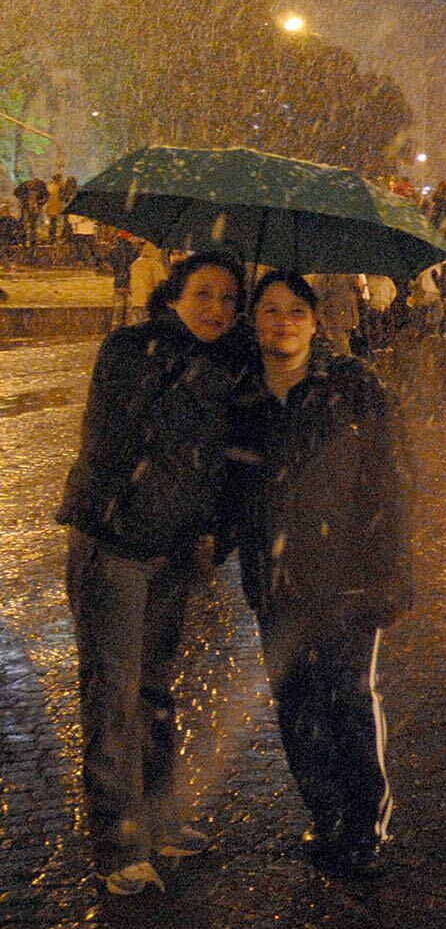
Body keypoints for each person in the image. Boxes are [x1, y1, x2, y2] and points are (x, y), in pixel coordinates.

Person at [55, 251, 249, 896]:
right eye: (202, 293)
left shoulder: (229, 368)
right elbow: (112, 440)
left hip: (172, 551)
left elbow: (221, 468)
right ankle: (117, 841)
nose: (215, 308)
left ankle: (163, 818)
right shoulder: (131, 350)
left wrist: (207, 536)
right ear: (172, 296)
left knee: (156, 694)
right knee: (112, 697)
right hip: (114, 546)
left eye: (227, 297)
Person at [225, 273, 412, 878]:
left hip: (348, 580)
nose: (282, 322)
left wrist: (391, 569)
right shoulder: (243, 397)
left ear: (315, 322)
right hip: (275, 582)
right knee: (295, 705)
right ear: (255, 322)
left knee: (350, 700)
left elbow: (391, 478)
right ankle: (325, 813)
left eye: (295, 311)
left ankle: (365, 824)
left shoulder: (353, 385)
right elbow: (233, 488)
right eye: (270, 311)